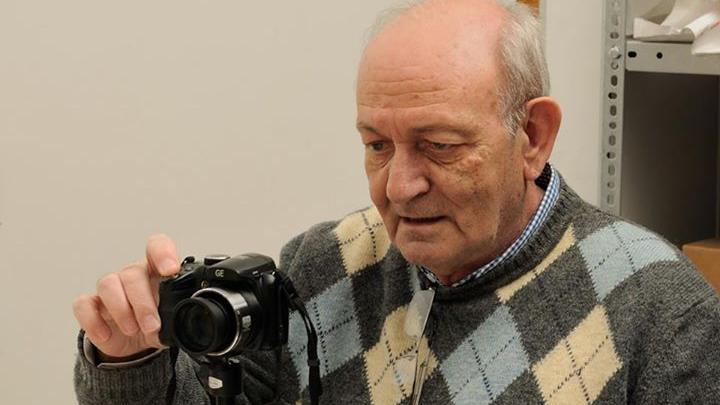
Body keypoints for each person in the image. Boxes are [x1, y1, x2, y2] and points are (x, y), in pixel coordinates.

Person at [73, 0, 720, 403]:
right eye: (377, 144)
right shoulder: (322, 263)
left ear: (534, 135)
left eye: (438, 145)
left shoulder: (662, 317)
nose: (399, 186)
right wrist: (132, 356)